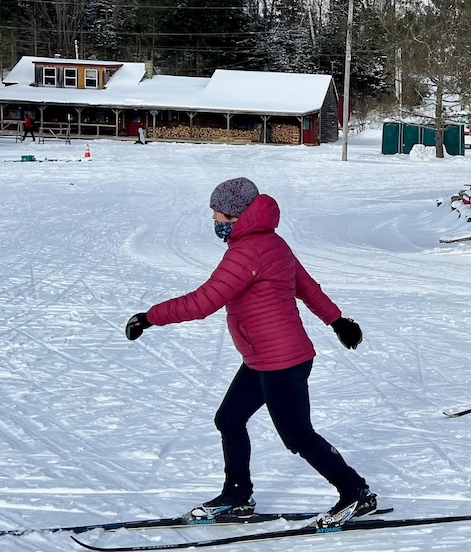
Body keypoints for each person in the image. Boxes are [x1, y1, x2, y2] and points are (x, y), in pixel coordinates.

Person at [124, 177, 376, 527]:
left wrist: (149, 317)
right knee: (229, 419)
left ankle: (356, 493)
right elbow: (306, 287)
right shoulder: (270, 242)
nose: (215, 223)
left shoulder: (248, 252)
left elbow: (203, 302)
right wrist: (337, 321)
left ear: (237, 216)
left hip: (282, 361)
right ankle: (237, 496)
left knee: (298, 434)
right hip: (263, 358)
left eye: (219, 217)